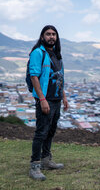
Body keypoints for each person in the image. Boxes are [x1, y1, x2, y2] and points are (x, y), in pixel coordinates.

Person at [28, 25, 69, 181]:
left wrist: (64, 96)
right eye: (48, 34)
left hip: (57, 99)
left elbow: (60, 78)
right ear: (42, 36)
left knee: (51, 131)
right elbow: (34, 77)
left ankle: (46, 159)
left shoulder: (57, 55)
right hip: (45, 99)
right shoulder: (38, 53)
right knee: (41, 132)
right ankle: (35, 166)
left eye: (54, 34)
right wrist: (42, 99)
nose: (51, 37)